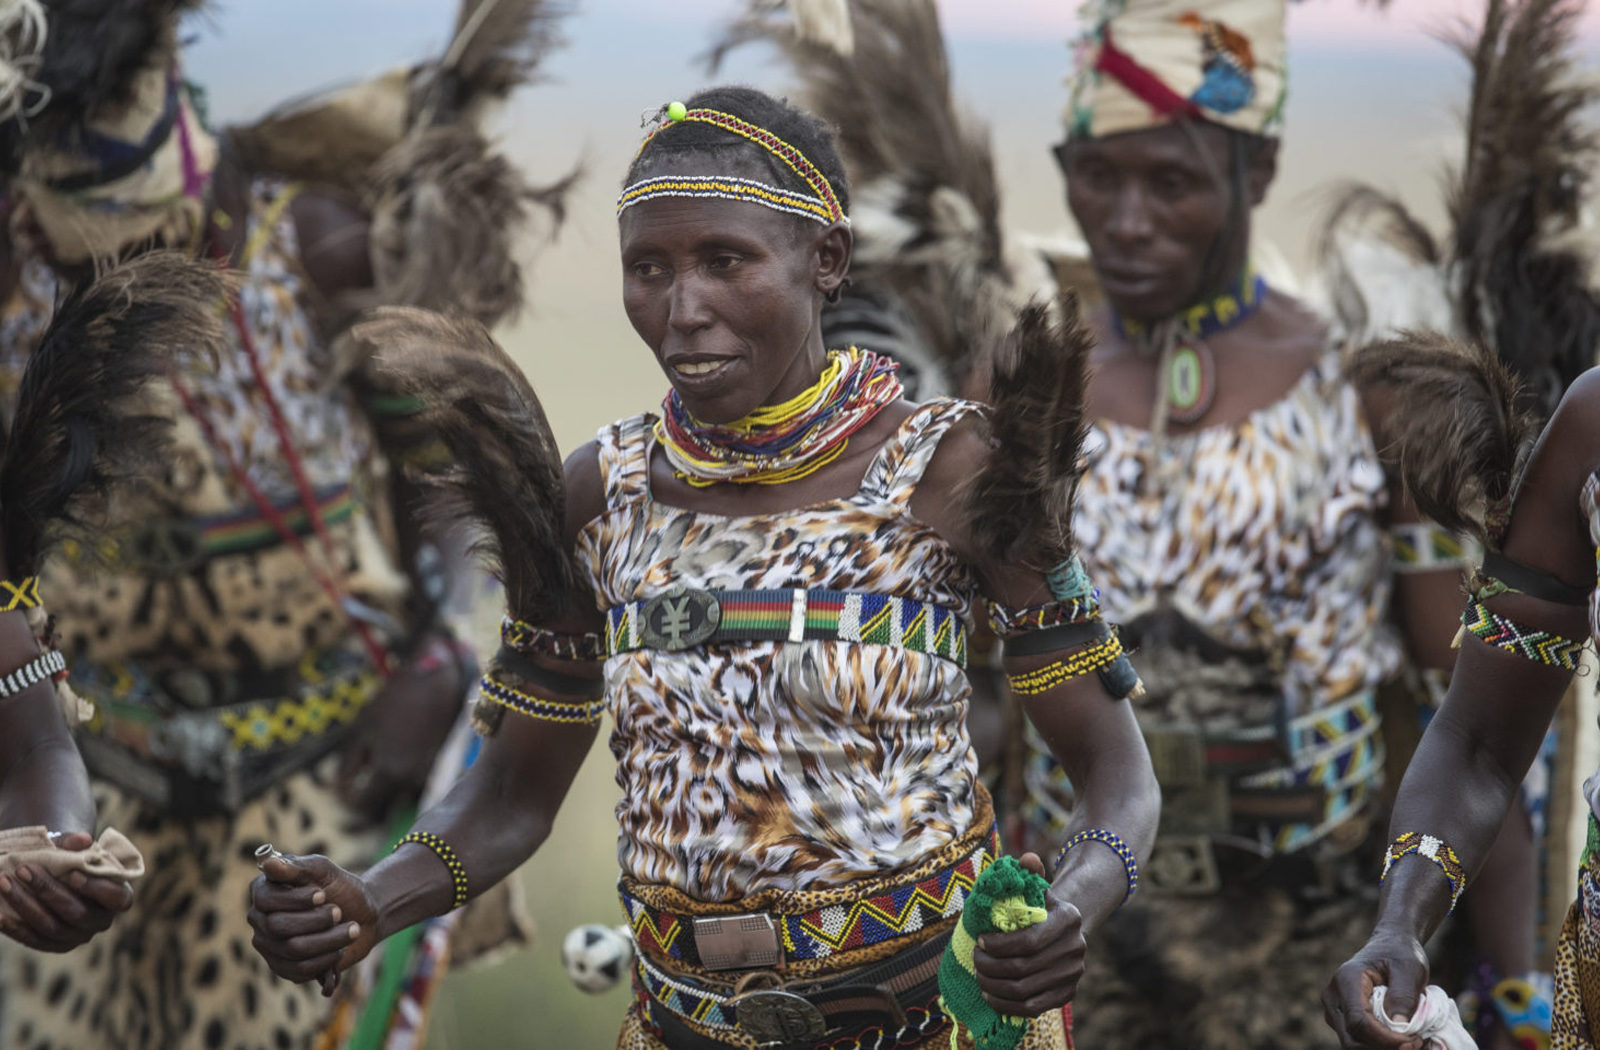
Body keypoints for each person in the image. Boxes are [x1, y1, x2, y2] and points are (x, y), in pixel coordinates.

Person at [246, 84, 1161, 1050]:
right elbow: (511, 793)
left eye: (726, 261)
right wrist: (368, 900)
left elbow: (1118, 774)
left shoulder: (951, 470)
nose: (683, 311)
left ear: (827, 260)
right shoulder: (600, 493)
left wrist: (1073, 908)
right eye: (649, 269)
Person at [0, 1, 571, 1046]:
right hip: (82, 771)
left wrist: (442, 650)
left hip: (314, 777)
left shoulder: (307, 240)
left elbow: (446, 473)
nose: (98, 265)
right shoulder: (12, 265)